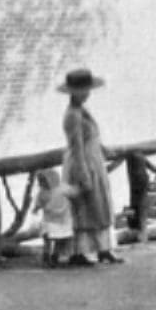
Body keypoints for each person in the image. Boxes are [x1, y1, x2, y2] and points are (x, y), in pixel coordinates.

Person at [57, 67, 124, 266]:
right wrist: (83, 174)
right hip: (83, 162)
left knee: (99, 205)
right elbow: (76, 146)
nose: (87, 94)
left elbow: (90, 135)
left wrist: (103, 149)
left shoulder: (82, 111)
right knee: (85, 207)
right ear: (73, 92)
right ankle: (78, 251)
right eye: (83, 90)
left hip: (94, 160)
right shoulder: (72, 115)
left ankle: (104, 248)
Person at [32, 168, 75, 267]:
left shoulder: (57, 190)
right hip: (55, 221)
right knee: (53, 240)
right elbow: (74, 193)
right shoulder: (59, 189)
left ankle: (52, 256)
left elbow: (38, 204)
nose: (41, 184)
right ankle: (49, 256)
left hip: (57, 221)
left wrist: (36, 209)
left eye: (43, 181)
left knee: (55, 240)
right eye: (40, 181)